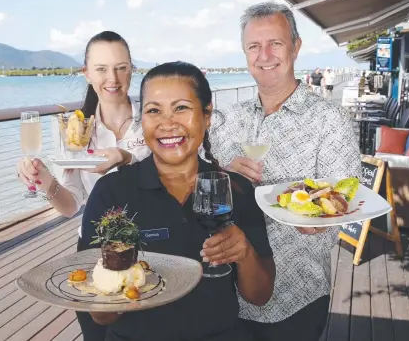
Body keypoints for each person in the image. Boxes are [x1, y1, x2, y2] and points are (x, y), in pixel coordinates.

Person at [78, 62, 276, 341]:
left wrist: (244, 253)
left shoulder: (236, 189)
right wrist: (117, 278)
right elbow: (100, 315)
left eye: (181, 108)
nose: (167, 124)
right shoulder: (111, 192)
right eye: (154, 110)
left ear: (207, 115)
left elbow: (260, 295)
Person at [209, 1, 361, 341]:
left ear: (295, 47)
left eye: (274, 43)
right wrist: (223, 171)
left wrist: (320, 222)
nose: (264, 55)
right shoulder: (225, 120)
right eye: (254, 46)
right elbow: (190, 172)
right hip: (224, 294)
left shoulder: (329, 122)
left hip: (293, 296)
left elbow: (344, 200)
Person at [16, 31, 150, 341]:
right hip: (94, 246)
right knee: (97, 332)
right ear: (86, 73)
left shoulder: (153, 116)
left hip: (153, 241)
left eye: (121, 67)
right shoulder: (75, 130)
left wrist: (125, 157)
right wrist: (45, 178)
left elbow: (175, 169)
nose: (112, 78)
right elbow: (72, 204)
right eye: (101, 69)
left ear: (132, 69)